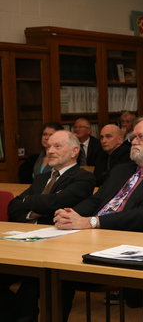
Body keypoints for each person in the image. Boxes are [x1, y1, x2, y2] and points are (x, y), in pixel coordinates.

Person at [53, 116, 143, 319]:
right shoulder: (121, 170)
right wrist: (72, 214)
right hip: (90, 237)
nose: (133, 141)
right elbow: (96, 200)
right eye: (133, 137)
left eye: (141, 137)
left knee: (57, 269)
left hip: (127, 245)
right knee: (49, 268)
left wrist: (92, 222)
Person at [3, 130, 95, 322]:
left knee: (32, 287)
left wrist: (31, 202)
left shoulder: (83, 178)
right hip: (26, 244)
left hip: (60, 248)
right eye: (48, 146)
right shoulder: (42, 178)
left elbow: (56, 204)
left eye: (57, 146)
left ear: (74, 151)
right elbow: (14, 206)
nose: (50, 151)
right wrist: (40, 207)